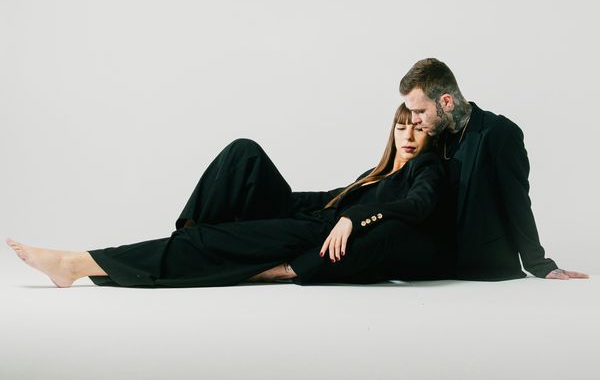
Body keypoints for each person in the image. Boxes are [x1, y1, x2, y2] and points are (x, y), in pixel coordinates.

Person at [6, 104, 454, 288]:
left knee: (208, 243)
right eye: (401, 127)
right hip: (310, 217)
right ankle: (190, 238)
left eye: (417, 128)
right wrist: (313, 203)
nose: (408, 135)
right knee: (244, 153)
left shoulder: (426, 168)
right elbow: (328, 199)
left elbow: (419, 205)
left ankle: (74, 264)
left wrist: (356, 218)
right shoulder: (375, 174)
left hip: (315, 237)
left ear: (429, 136)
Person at [398, 58, 588, 281]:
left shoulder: (499, 133)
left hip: (486, 272)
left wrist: (538, 263)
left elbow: (516, 201)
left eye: (420, 111)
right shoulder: (431, 136)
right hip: (436, 269)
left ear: (446, 101)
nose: (414, 120)